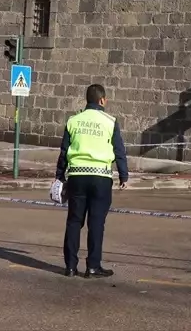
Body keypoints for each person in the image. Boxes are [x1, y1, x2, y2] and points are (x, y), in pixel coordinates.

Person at [55, 83, 129, 278]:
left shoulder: (74, 120)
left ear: (87, 100)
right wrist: (124, 175)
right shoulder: (110, 121)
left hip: (77, 176)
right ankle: (93, 266)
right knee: (96, 223)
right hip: (100, 178)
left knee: (74, 221)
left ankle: (70, 266)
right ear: (102, 100)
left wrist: (59, 175)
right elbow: (119, 151)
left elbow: (64, 151)